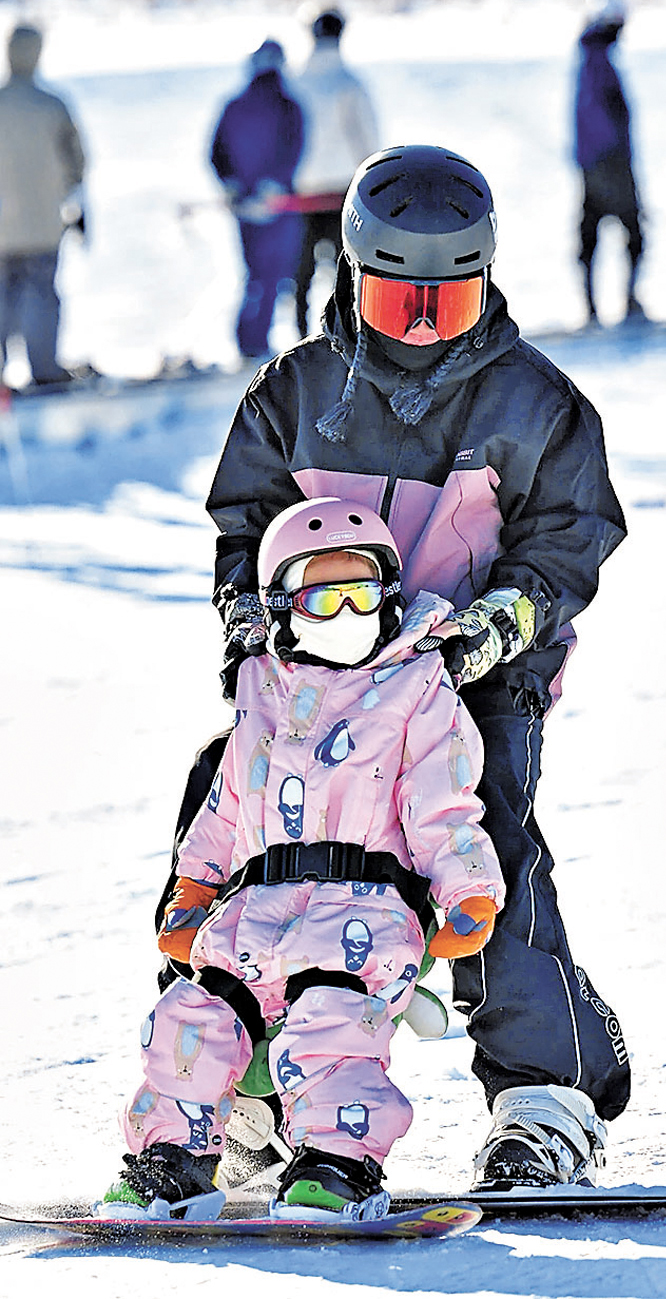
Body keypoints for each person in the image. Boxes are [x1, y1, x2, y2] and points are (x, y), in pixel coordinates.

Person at [201, 143, 631, 1194]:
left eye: (452, 301)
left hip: (474, 668)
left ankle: (547, 1096)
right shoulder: (296, 392)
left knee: (482, 844)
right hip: (316, 675)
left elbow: (570, 536)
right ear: (353, 276)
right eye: (402, 304)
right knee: (253, 854)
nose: (428, 326)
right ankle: (245, 1087)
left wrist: (506, 618)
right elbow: (244, 522)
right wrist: (252, 623)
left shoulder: (534, 404)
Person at [99, 497, 505, 1222]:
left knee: (331, 1026)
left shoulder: (417, 688)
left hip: (364, 911)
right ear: (284, 607)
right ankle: (173, 1163)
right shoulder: (261, 689)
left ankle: (336, 1166)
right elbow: (226, 803)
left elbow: (443, 801)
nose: (347, 612)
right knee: (191, 1017)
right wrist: (193, 887)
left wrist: (467, 890)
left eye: (363, 594)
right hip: (253, 909)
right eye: (324, 598)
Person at [0, 23, 86, 393]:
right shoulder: (53, 106)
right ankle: (45, 371)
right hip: (43, 227)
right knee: (41, 298)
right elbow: (77, 164)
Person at [210, 39, 305, 363]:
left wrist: (233, 186)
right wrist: (271, 187)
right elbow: (294, 150)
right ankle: (254, 343)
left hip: (249, 206)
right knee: (272, 275)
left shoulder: (234, 106)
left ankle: (248, 341)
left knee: (255, 274)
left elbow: (216, 155)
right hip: (275, 206)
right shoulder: (288, 106)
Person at [291, 8, 379, 337]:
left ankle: (300, 336)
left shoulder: (294, 82)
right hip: (341, 192)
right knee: (345, 271)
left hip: (302, 192)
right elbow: (368, 139)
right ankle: (344, 335)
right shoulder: (350, 83)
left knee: (301, 272)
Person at [573, 0, 645, 325]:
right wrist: (613, 159)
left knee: (591, 235)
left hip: (593, 161)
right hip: (608, 162)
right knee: (633, 231)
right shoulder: (598, 61)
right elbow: (601, 117)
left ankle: (593, 307)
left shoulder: (590, 57)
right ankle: (625, 301)